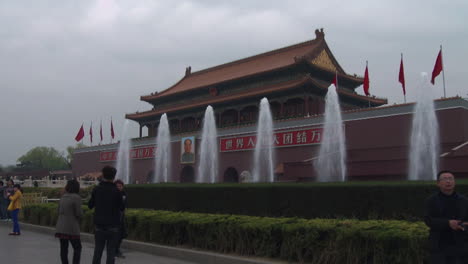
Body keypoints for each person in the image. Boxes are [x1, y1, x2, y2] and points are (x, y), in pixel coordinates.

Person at [424, 170, 468, 263]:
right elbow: (428, 220)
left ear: (454, 182)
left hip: (460, 245)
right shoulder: (431, 200)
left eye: (450, 179)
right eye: (445, 179)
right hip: (439, 245)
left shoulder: (464, 200)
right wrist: (448, 223)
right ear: (438, 183)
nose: (448, 181)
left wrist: (464, 225)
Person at [88, 166, 124, 264]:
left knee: (98, 251)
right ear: (114, 177)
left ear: (103, 175)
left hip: (99, 226)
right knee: (111, 253)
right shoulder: (117, 191)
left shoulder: (97, 189)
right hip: (113, 227)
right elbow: (122, 208)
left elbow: (90, 205)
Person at [55, 179, 83, 264]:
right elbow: (79, 213)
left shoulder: (63, 197)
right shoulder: (76, 198)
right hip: (71, 227)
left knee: (64, 248)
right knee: (78, 248)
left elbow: (58, 210)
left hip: (60, 227)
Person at [114, 180, 127, 258]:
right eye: (117, 186)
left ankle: (117, 249)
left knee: (122, 234)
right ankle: (116, 250)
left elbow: (124, 205)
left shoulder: (124, 194)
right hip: (115, 218)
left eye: (120, 186)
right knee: (117, 235)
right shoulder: (113, 195)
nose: (119, 188)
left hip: (121, 217)